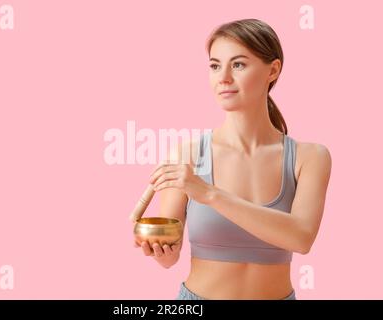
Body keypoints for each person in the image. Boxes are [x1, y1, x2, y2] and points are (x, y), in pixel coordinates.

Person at [134, 18, 332, 300]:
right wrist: (159, 248)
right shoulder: (188, 155)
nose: (223, 77)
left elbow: (301, 238)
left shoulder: (310, 157)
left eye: (238, 64)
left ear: (272, 70)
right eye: (215, 66)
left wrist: (210, 194)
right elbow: (170, 258)